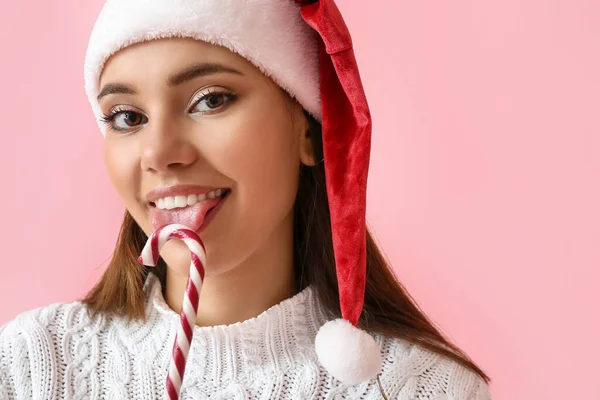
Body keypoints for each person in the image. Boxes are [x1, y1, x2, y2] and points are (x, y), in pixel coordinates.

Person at [0, 0, 492, 398]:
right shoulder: (30, 366)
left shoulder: (422, 389)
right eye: (127, 117)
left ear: (307, 130)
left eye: (210, 99)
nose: (159, 153)